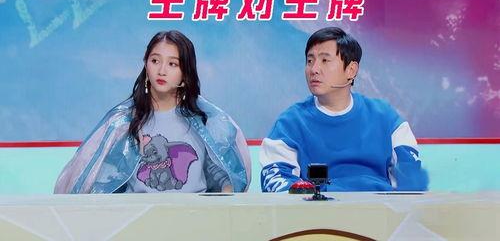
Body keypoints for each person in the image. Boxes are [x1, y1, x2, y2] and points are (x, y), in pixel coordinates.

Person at [54, 31, 251, 194]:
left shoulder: (204, 120)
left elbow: (224, 175)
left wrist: (226, 197)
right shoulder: (124, 122)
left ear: (185, 73)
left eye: (172, 64)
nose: (162, 70)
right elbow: (101, 178)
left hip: (193, 220)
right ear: (145, 64)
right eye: (155, 60)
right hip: (137, 220)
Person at [260, 27, 428, 193]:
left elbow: (412, 181)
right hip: (318, 209)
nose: (314, 69)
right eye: (310, 61)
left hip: (379, 207)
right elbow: (277, 180)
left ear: (351, 70)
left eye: (325, 60)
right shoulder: (290, 123)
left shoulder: (386, 118)